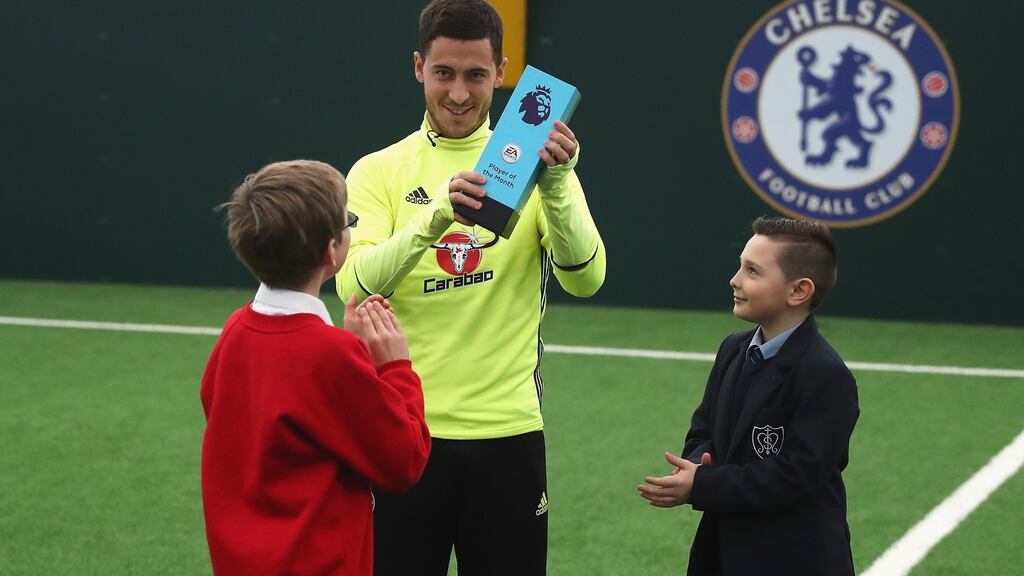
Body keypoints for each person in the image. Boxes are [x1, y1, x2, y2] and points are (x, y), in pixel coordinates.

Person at [335, 0, 605, 573]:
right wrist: (436, 216)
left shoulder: (533, 162)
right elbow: (353, 288)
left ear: (501, 72)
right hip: (404, 432)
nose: (458, 93)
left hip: (508, 434)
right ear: (418, 68)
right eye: (444, 73)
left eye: (476, 75)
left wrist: (558, 183)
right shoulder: (378, 170)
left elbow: (586, 279)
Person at [200, 160, 431, 575]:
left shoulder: (236, 329)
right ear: (331, 251)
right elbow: (405, 460)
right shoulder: (330, 354)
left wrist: (350, 354)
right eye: (349, 221)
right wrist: (394, 366)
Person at [637, 216, 859, 576]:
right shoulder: (733, 350)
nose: (735, 280)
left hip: (795, 559)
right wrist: (696, 465)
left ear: (798, 291)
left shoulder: (826, 375)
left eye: (752, 271)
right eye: (740, 266)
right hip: (721, 552)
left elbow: (797, 477)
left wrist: (703, 484)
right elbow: (703, 430)